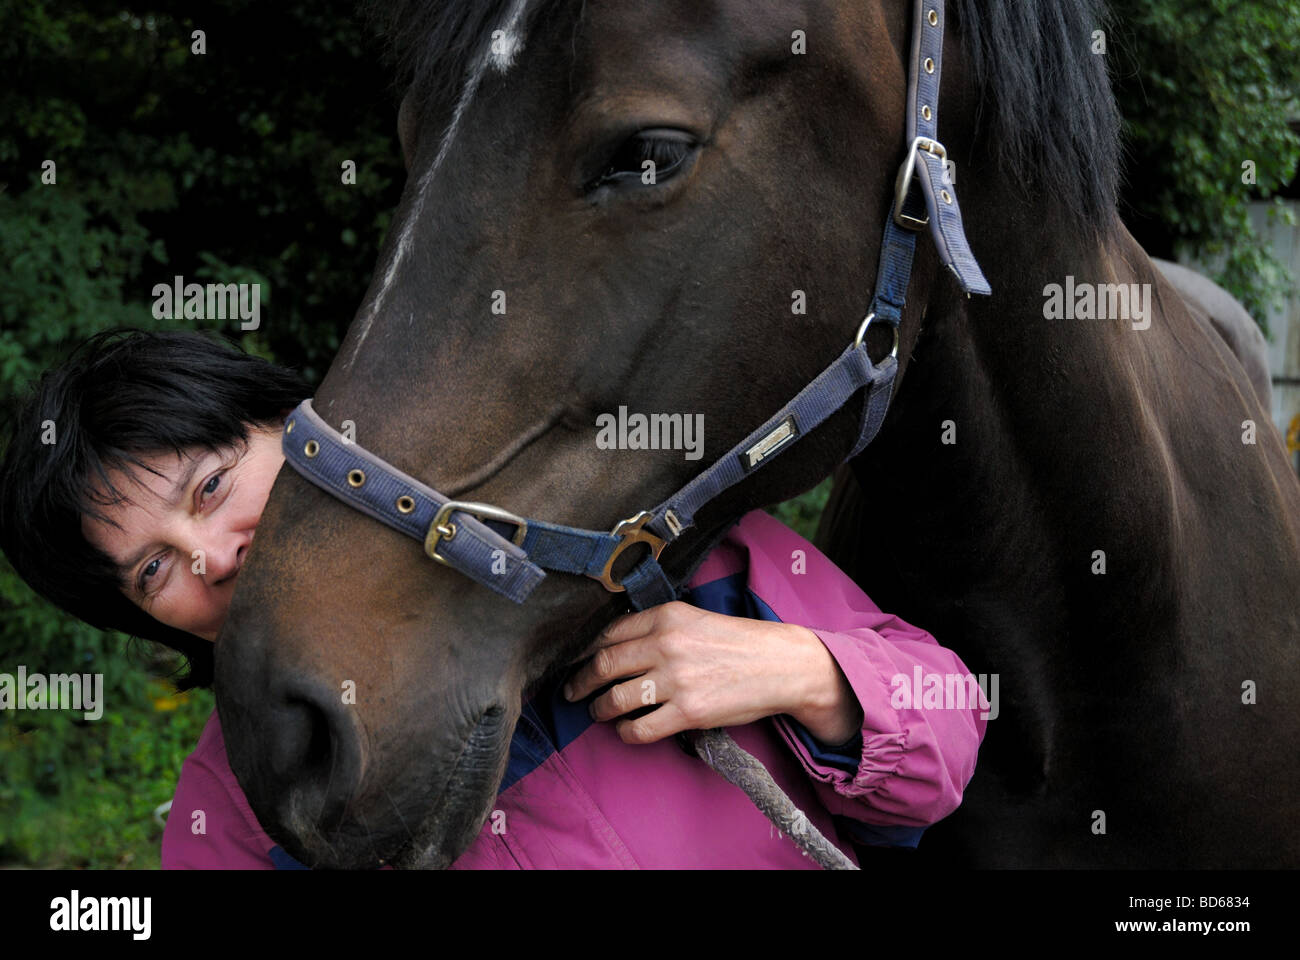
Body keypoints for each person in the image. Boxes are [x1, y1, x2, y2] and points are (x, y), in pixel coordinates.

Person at [0, 329, 988, 869]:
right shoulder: (241, 811)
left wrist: (801, 670)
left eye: (212, 488)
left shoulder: (633, 551)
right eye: (154, 570)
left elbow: (949, 732)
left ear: (295, 426)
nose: (214, 556)